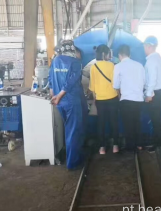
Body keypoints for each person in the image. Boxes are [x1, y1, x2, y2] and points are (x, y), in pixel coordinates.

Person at [49, 40, 84, 170]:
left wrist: (55, 95)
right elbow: (70, 82)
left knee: (67, 131)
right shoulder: (75, 62)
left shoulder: (55, 60)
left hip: (59, 103)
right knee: (73, 132)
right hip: (71, 101)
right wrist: (60, 95)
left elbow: (51, 80)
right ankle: (72, 163)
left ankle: (71, 156)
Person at [113, 44, 145, 151]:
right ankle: (140, 145)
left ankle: (130, 147)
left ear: (119, 55)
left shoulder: (118, 66)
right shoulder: (139, 65)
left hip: (126, 100)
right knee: (137, 122)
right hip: (139, 99)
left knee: (128, 125)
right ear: (129, 54)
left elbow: (115, 85)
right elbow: (144, 82)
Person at [89, 44, 119, 155]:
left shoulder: (93, 67)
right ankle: (115, 146)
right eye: (107, 53)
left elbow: (92, 86)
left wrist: (95, 97)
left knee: (101, 123)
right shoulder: (112, 65)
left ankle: (102, 148)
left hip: (100, 100)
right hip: (113, 97)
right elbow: (116, 83)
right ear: (104, 54)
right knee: (114, 122)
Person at [143, 36, 161, 149]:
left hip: (153, 93)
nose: (144, 49)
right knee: (157, 118)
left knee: (155, 119)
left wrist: (148, 94)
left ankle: (158, 145)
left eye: (144, 47)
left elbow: (152, 79)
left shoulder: (151, 61)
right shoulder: (160, 59)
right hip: (159, 90)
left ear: (149, 46)